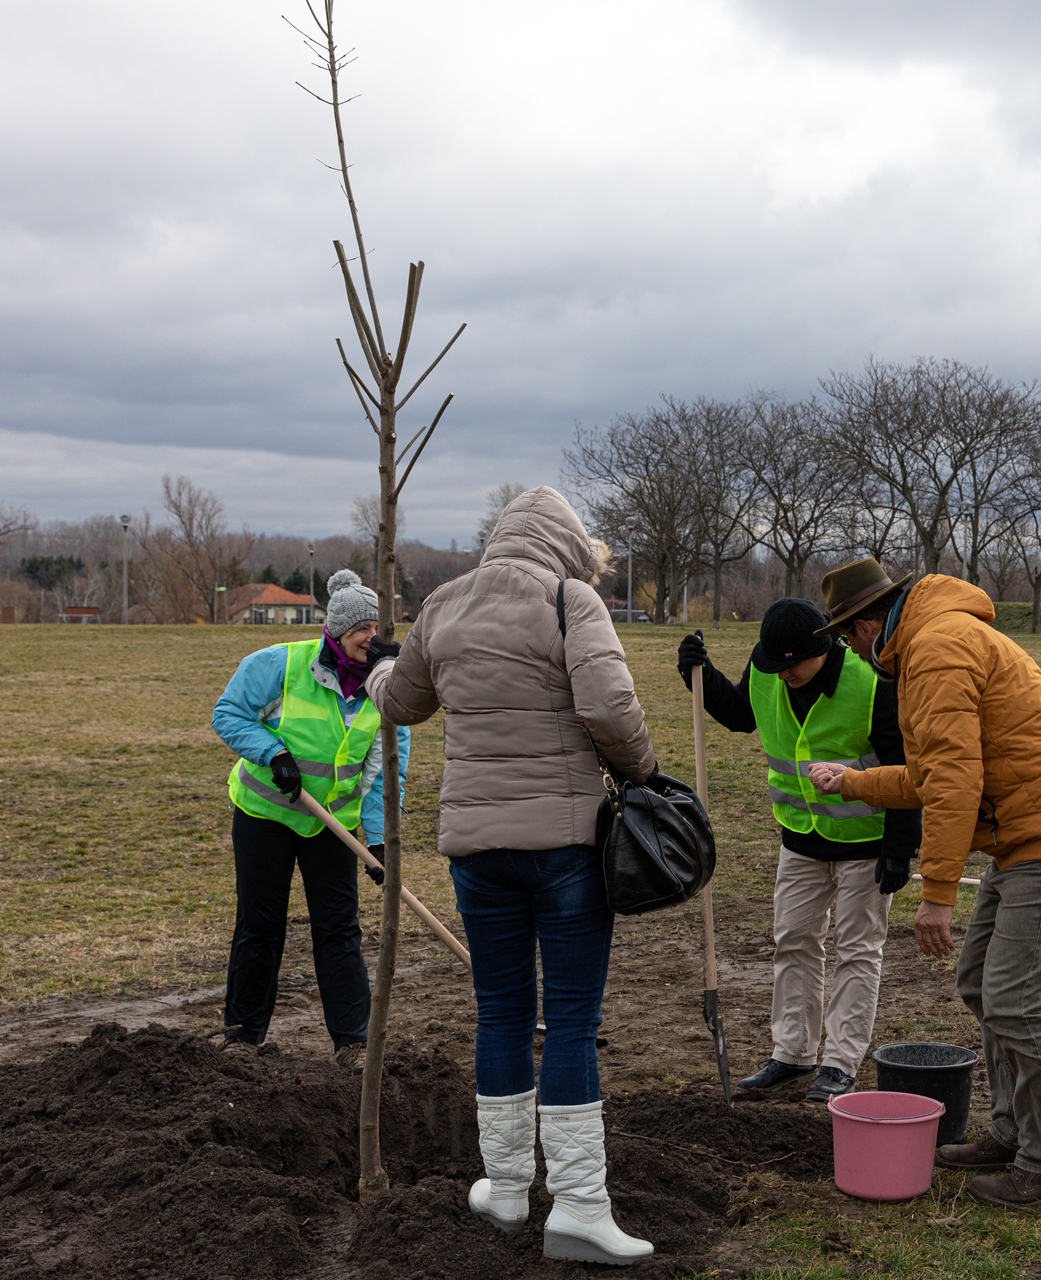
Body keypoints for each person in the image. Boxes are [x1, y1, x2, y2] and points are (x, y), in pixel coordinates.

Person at [367, 486, 657, 1265]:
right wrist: (644, 773)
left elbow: (401, 703)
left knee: (498, 1013)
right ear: (566, 544)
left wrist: (375, 672)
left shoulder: (442, 604)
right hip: (564, 847)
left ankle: (504, 1190)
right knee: (568, 1020)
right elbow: (609, 706)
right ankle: (580, 1207)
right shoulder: (572, 601)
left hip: (475, 850)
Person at [804, 557, 1041, 1210]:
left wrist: (938, 896)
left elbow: (951, 783)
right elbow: (934, 771)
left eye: (843, 639)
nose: (850, 653)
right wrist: (855, 781)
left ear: (864, 626)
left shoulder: (936, 647)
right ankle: (1013, 1133)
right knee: (983, 984)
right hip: (1026, 832)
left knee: (1016, 1000)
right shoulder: (928, 639)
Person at [675, 599, 921, 1103]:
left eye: (794, 665)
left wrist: (899, 849)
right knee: (793, 944)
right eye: (776, 665)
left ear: (824, 649)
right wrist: (699, 675)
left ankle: (839, 1063)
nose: (783, 674)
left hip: (867, 845)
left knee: (858, 951)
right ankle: (792, 1054)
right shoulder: (769, 667)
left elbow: (906, 774)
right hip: (799, 841)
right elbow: (742, 714)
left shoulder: (872, 681)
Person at [211, 568, 408, 1072]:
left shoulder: (387, 688)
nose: (372, 638)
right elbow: (228, 713)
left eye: (378, 629)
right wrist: (273, 753)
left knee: (340, 929)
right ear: (338, 632)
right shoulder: (281, 663)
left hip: (332, 826)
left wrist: (381, 842)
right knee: (260, 924)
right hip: (266, 814)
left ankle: (355, 1044)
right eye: (363, 629)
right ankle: (241, 1036)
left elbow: (387, 769)